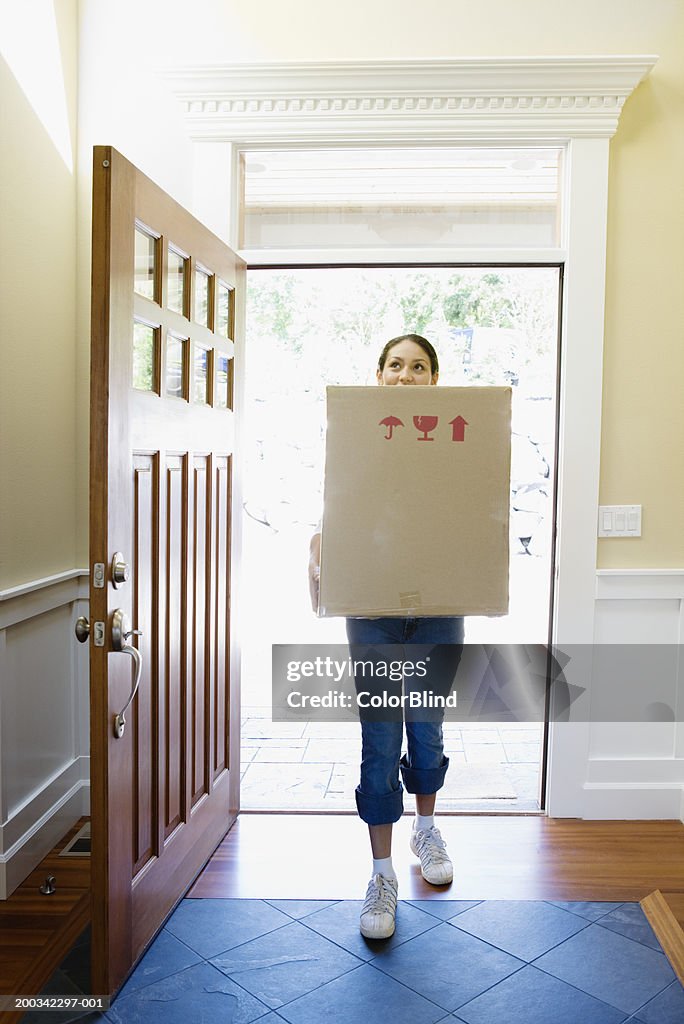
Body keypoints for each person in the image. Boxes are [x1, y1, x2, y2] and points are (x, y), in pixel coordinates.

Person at [308, 334, 464, 940]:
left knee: (427, 730)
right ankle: (381, 874)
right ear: (378, 376)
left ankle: (426, 829)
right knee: (379, 739)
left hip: (439, 606)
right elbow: (334, 509)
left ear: (434, 380)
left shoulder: (457, 447)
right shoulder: (352, 440)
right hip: (372, 607)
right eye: (395, 365)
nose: (405, 375)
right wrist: (320, 544)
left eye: (418, 367)